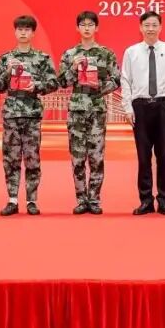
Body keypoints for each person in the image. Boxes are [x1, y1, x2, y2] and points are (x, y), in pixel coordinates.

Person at [0, 14, 58, 216]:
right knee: (11, 159)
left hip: (32, 113)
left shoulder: (42, 58)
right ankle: (12, 200)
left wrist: (36, 86)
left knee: (32, 158)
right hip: (11, 113)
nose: (23, 33)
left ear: (33, 33)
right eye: (20, 29)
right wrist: (7, 71)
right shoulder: (6, 58)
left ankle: (32, 200)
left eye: (27, 29)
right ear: (15, 32)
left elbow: (53, 83)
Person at [120, 10, 165, 215]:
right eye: (147, 25)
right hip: (140, 106)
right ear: (140, 27)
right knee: (143, 157)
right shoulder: (131, 52)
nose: (151, 29)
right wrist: (127, 107)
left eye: (154, 25)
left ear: (161, 27)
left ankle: (164, 200)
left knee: (164, 156)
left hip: (164, 105)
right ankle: (145, 200)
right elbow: (125, 80)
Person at [58, 11, 120, 215]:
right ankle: (81, 199)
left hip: (97, 108)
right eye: (83, 25)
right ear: (77, 28)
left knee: (96, 157)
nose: (87, 28)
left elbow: (117, 79)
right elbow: (61, 82)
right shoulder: (70, 54)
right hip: (76, 109)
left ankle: (94, 199)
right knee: (77, 157)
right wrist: (73, 68)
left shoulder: (106, 53)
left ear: (96, 28)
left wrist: (99, 88)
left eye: (90, 24)